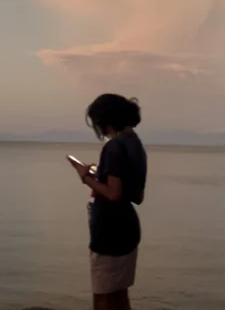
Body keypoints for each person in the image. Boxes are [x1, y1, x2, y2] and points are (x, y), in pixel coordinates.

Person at [68, 94, 147, 310]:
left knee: (103, 298)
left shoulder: (114, 147)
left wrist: (85, 177)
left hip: (109, 232)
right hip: (128, 230)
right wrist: (99, 175)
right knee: (120, 296)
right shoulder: (135, 144)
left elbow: (113, 194)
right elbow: (136, 196)